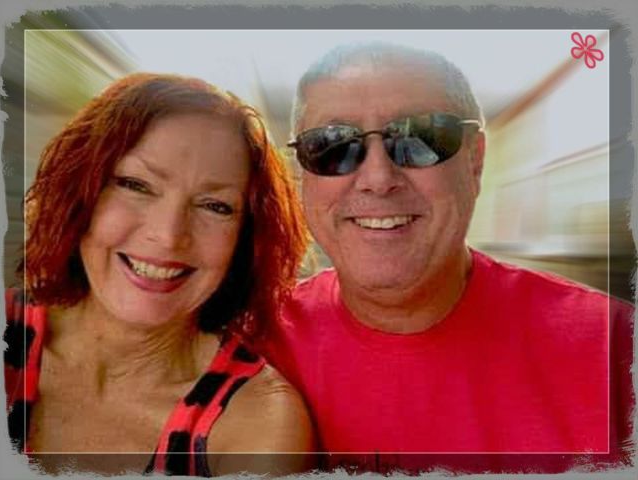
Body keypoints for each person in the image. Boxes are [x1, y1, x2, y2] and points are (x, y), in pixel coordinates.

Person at [259, 43, 635, 474]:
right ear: (301, 175)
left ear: (474, 161)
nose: (378, 179)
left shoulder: (615, 349)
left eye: (420, 138)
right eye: (332, 145)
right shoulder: (250, 347)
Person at [4, 73, 314, 476]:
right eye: (136, 185)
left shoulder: (258, 426)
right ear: (80, 192)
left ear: (246, 240)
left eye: (215, 206)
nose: (168, 237)